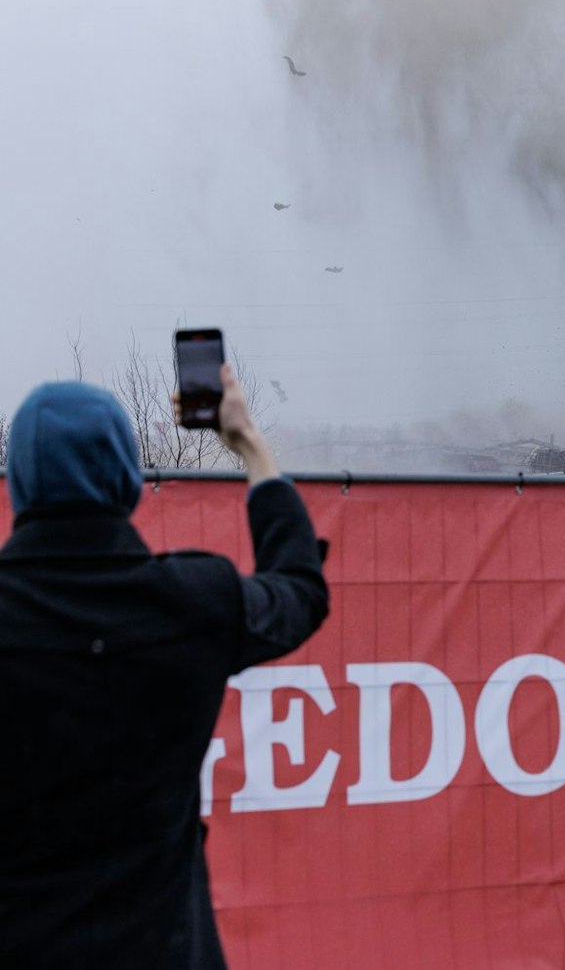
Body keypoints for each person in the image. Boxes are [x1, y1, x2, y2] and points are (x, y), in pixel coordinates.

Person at [0, 369, 330, 968]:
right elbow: (300, 591)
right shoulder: (196, 600)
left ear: (20, 484)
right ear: (125, 479)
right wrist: (249, 442)